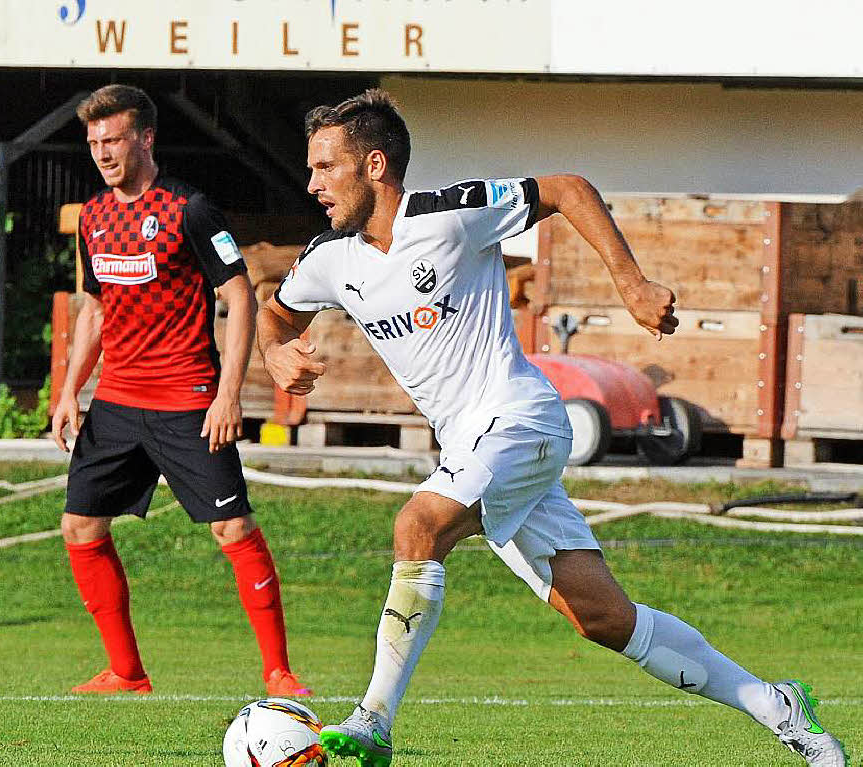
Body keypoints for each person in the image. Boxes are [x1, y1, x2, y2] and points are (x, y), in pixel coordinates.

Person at [256, 89, 846, 766]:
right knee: (603, 617)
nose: (312, 184)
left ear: (376, 166)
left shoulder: (451, 216)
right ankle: (777, 704)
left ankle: (373, 719)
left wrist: (631, 283)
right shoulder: (331, 258)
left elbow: (567, 187)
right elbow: (278, 315)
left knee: (418, 524)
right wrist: (275, 352)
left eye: (326, 167)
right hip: (476, 448)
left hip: (520, 419)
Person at [51, 84, 310, 699]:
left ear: (145, 137)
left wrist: (228, 395)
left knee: (232, 530)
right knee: (80, 527)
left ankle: (279, 672)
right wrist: (68, 391)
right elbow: (93, 310)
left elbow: (240, 295)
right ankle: (126, 673)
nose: (102, 153)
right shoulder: (92, 216)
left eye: (112, 140)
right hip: (116, 401)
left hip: (187, 398)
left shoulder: (188, 209)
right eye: (93, 143)